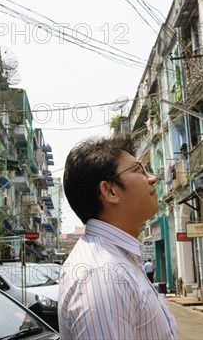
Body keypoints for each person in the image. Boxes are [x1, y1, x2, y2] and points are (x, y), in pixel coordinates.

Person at [58, 135, 177, 339]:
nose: (152, 178)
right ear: (110, 191)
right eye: (138, 170)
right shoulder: (102, 275)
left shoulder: (119, 259)